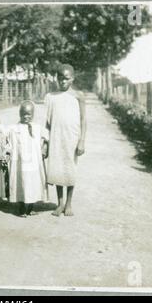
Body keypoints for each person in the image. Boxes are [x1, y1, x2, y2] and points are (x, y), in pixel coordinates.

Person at [45, 64, 87, 217]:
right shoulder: (51, 97)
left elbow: (83, 120)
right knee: (57, 169)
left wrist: (81, 141)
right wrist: (46, 142)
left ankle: (69, 203)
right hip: (56, 137)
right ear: (57, 79)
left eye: (66, 78)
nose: (63, 81)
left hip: (71, 137)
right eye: (60, 78)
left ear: (72, 79)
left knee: (69, 169)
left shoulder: (78, 96)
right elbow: (47, 122)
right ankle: (60, 203)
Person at [8, 101, 49, 217]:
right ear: (20, 114)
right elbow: (6, 139)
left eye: (29, 114)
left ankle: (30, 208)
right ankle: (21, 208)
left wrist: (44, 147)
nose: (26, 117)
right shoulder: (15, 128)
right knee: (21, 183)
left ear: (33, 114)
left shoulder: (37, 127)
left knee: (32, 183)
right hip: (20, 163)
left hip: (33, 163)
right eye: (24, 114)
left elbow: (47, 137)